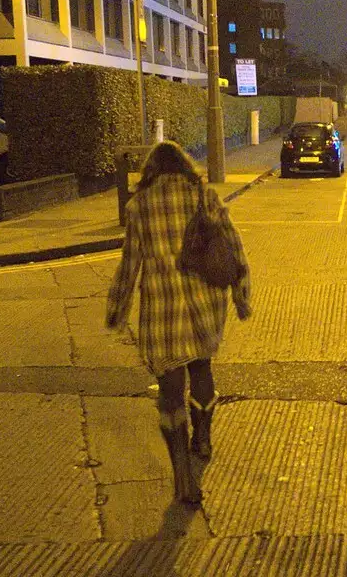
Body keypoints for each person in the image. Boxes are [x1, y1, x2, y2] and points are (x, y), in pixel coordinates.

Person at [105, 141, 252, 504]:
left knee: (170, 394)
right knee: (201, 371)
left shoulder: (139, 207)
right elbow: (234, 248)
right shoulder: (204, 198)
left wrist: (117, 308)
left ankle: (183, 477)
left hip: (162, 314)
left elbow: (129, 265)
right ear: (186, 166)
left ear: (151, 171)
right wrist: (241, 295)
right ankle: (202, 436)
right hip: (205, 306)